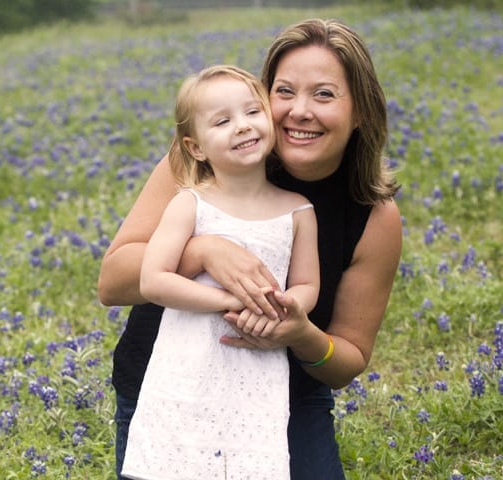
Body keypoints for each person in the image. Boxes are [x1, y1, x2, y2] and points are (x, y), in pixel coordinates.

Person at [98, 18, 402, 480]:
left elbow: (348, 361)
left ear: (360, 110)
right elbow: (113, 281)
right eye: (284, 91)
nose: (300, 111)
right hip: (167, 385)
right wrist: (201, 251)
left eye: (324, 94)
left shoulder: (373, 215)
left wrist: (299, 333)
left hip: (284, 396)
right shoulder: (208, 162)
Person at [120, 64, 319, 480]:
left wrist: (286, 309)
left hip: (256, 369)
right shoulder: (189, 203)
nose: (242, 127)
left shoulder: (298, 210)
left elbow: (305, 284)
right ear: (195, 148)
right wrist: (232, 300)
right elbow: (153, 280)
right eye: (223, 121)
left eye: (252, 112)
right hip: (186, 369)